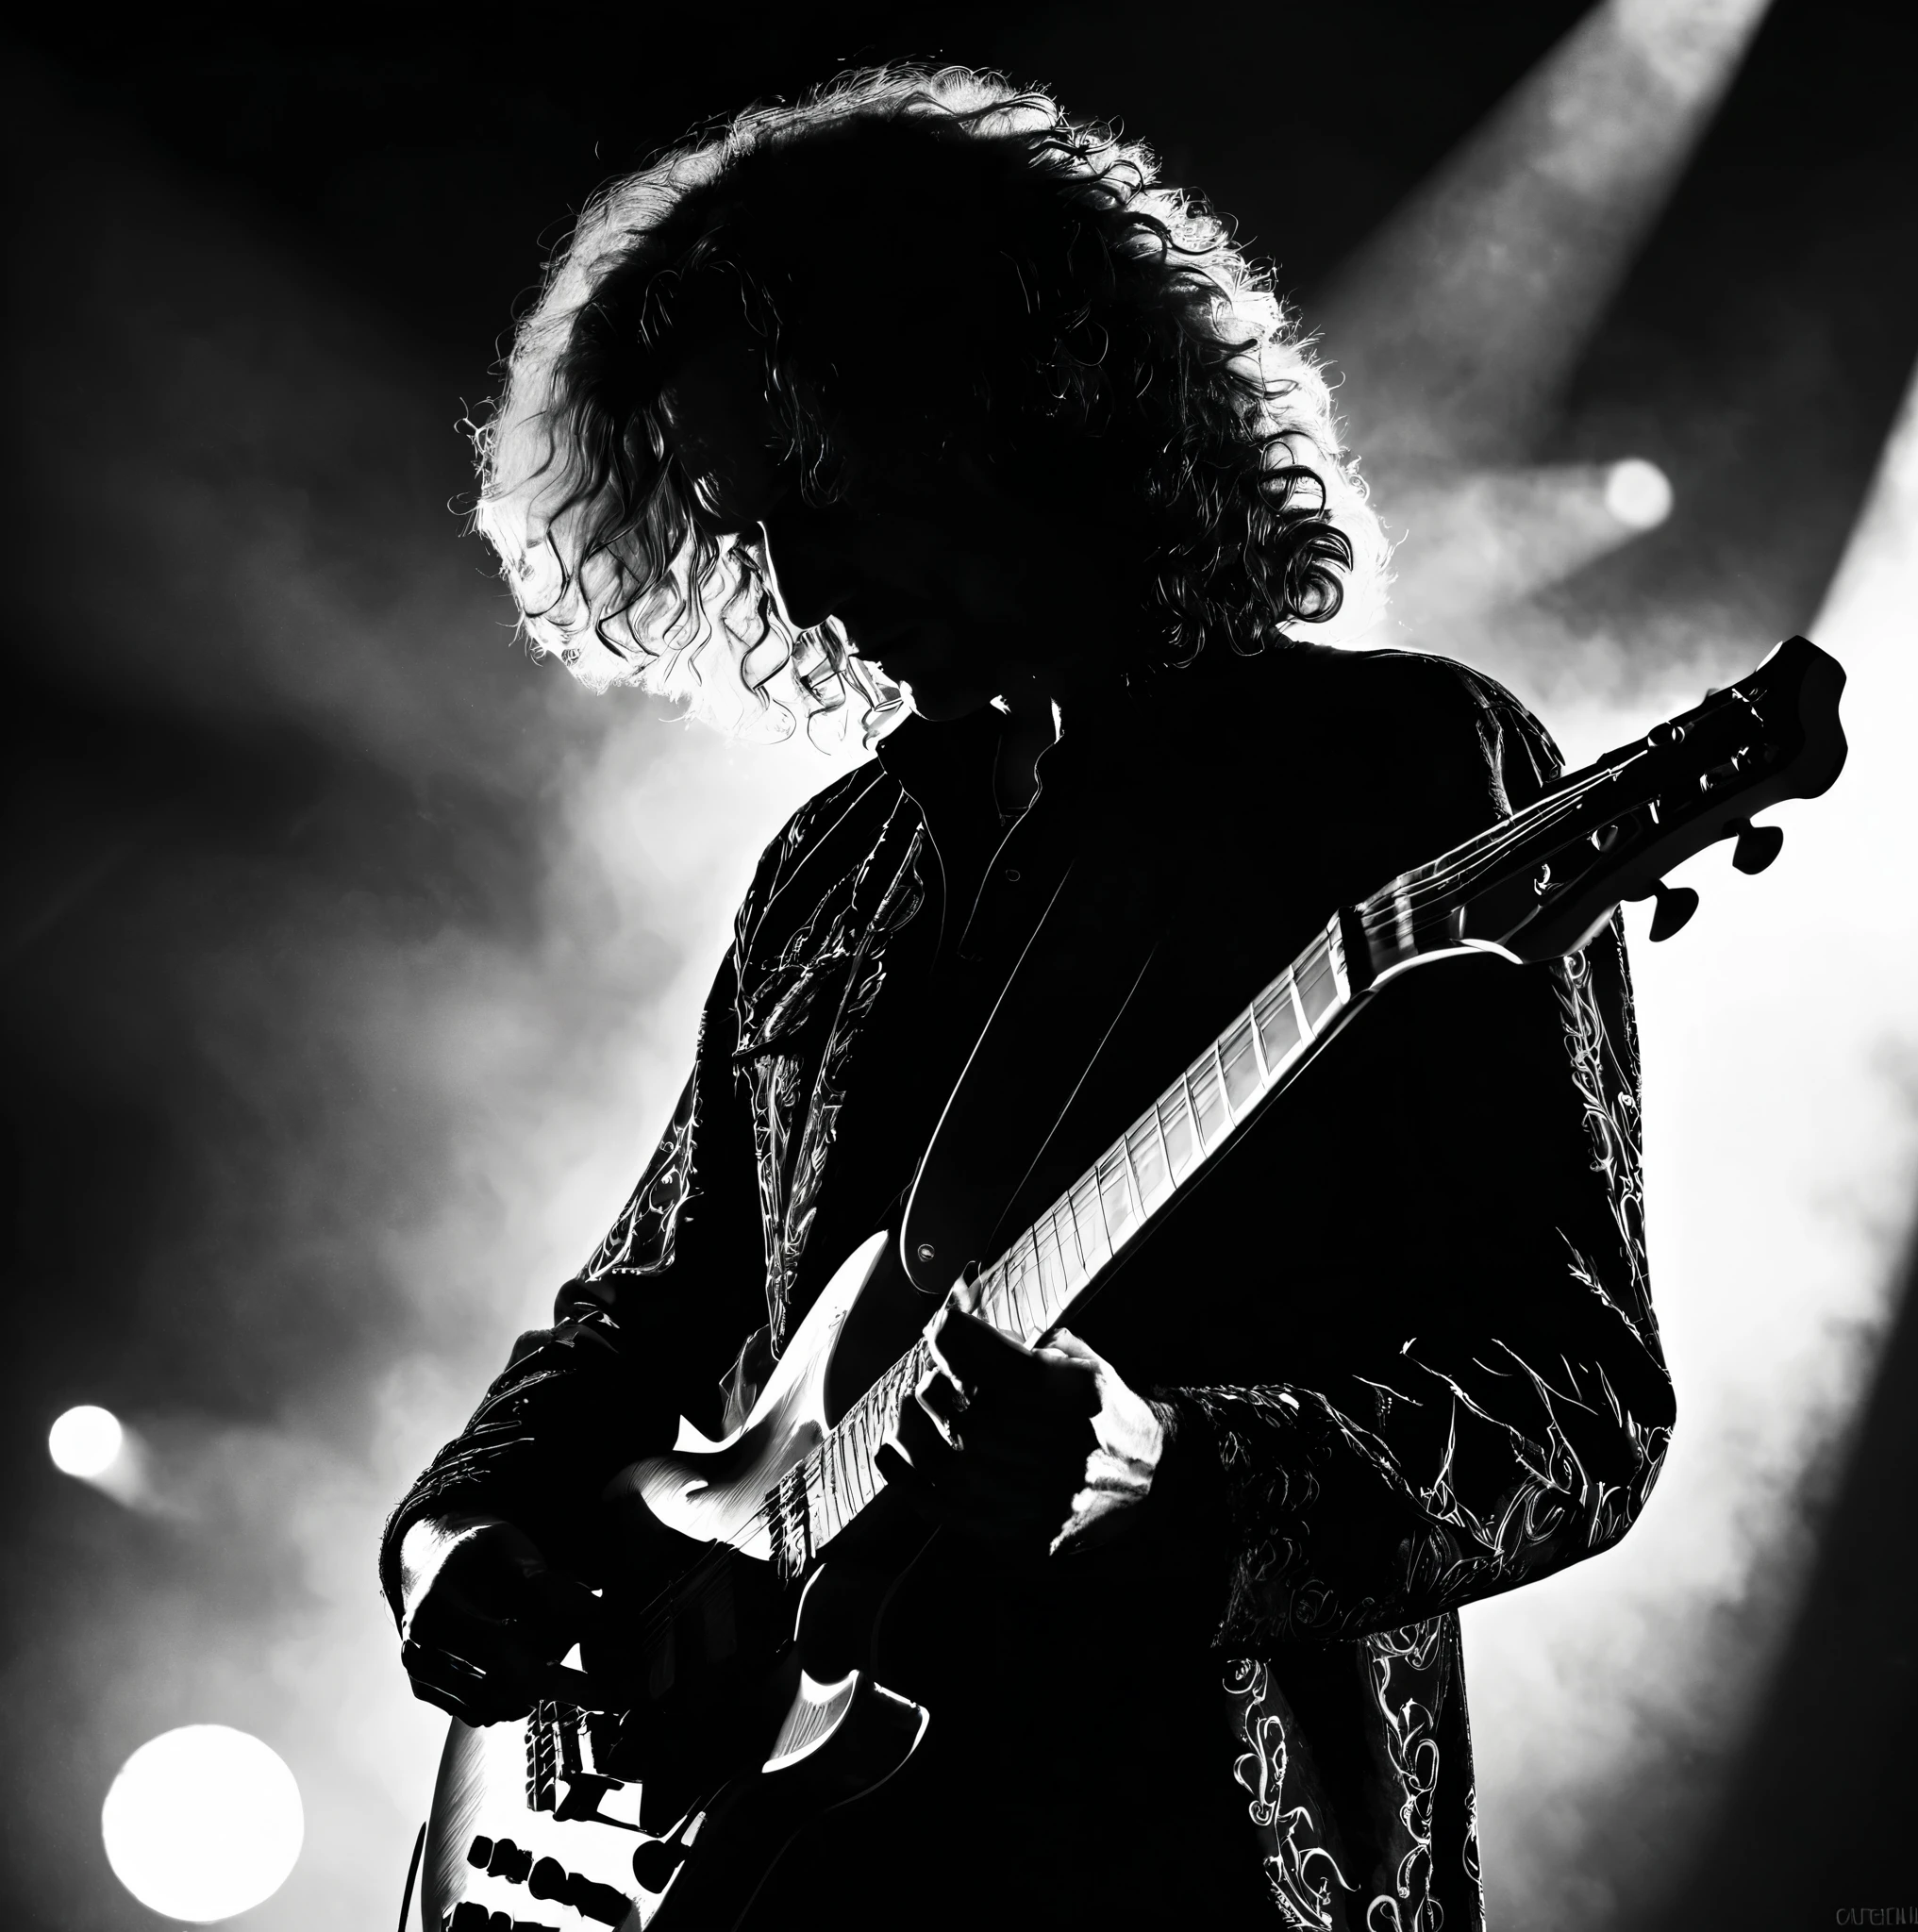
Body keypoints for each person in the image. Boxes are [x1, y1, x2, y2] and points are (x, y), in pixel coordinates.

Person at [382, 66, 1674, 1930]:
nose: (806, 580)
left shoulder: (1391, 773)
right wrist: (458, 1534)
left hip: (1197, 1863)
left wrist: (1175, 1465)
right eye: (754, 525)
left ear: (1004, 408)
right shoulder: (828, 876)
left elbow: (1575, 1402)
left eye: (822, 489)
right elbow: (639, 1316)